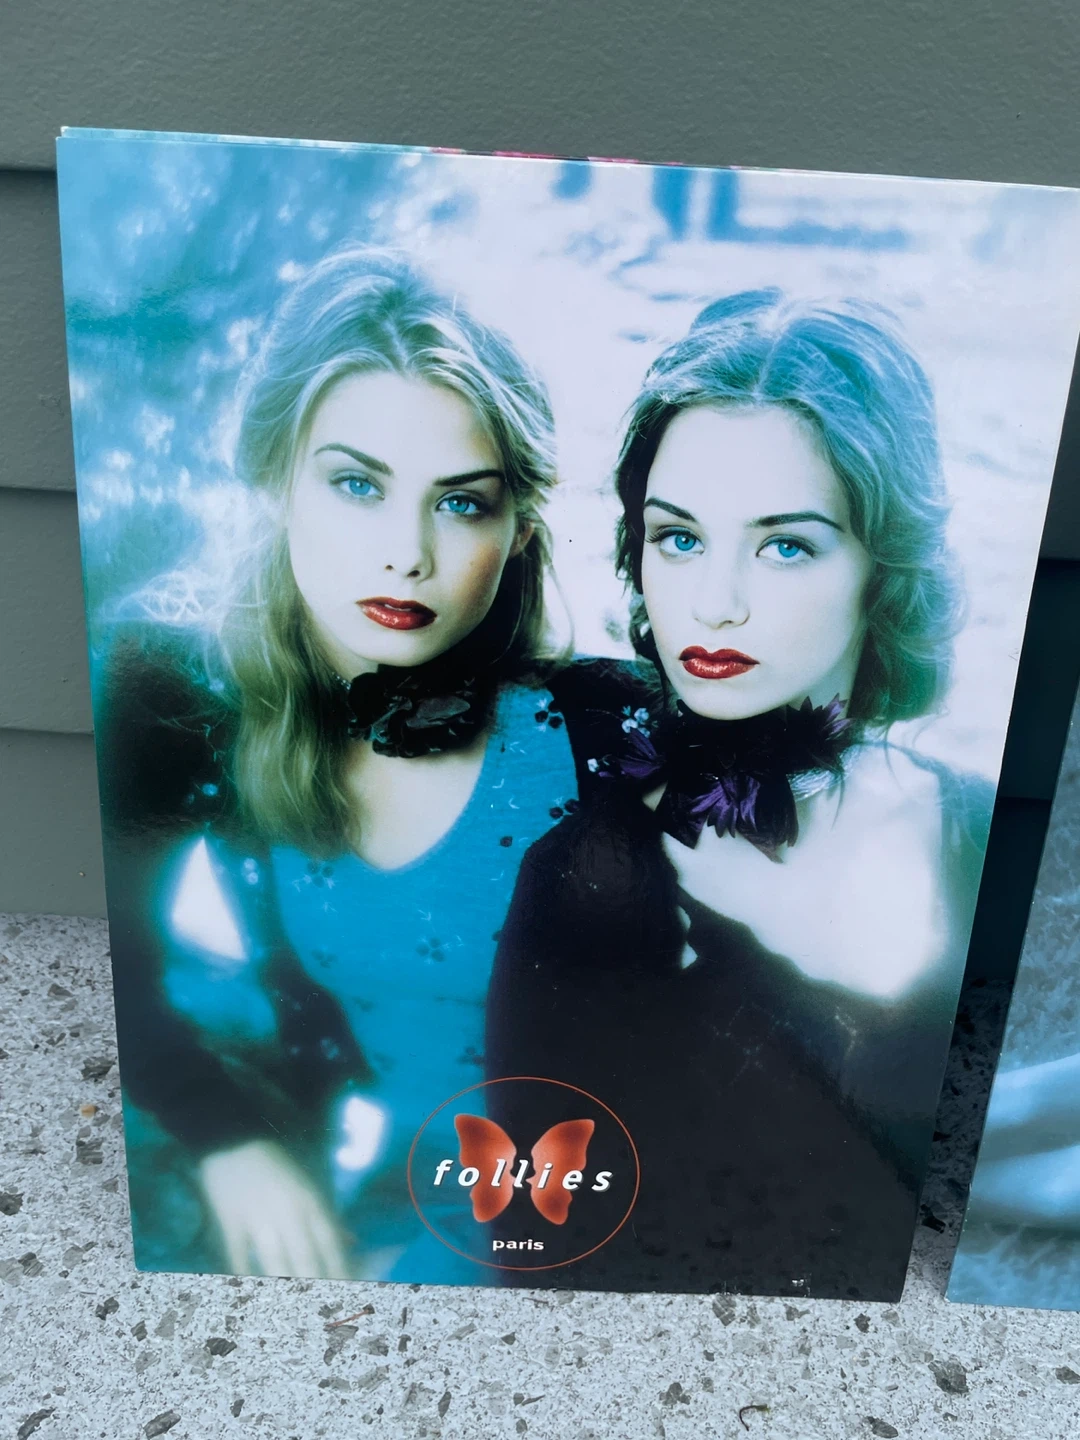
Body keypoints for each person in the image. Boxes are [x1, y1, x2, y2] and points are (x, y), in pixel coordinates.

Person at [97, 248, 642, 1282]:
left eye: (462, 502)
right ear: (276, 480)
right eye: (357, 484)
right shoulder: (174, 696)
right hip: (388, 1189)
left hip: (593, 1204)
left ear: (520, 527)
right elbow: (100, 963)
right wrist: (228, 1140)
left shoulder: (607, 728)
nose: (407, 553)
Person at [486, 290, 993, 1300]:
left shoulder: (984, 840)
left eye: (785, 544)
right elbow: (534, 1245)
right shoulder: (583, 881)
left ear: (883, 566)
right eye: (678, 538)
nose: (713, 604)